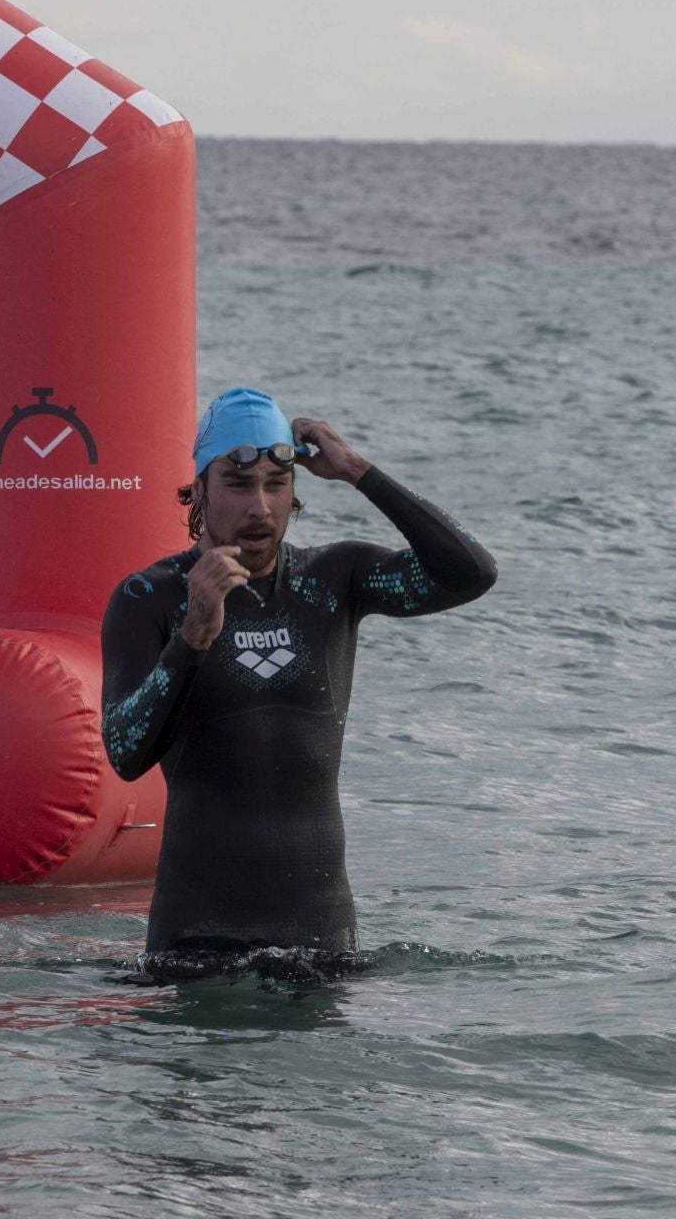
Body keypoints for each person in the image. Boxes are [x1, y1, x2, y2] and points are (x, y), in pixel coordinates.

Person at [101, 387, 496, 968]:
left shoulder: (336, 580)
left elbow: (471, 573)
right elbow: (125, 753)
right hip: (194, 948)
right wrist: (191, 640)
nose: (259, 507)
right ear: (201, 493)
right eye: (238, 486)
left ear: (294, 492)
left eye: (275, 485)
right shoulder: (149, 598)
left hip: (322, 944)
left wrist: (360, 472)